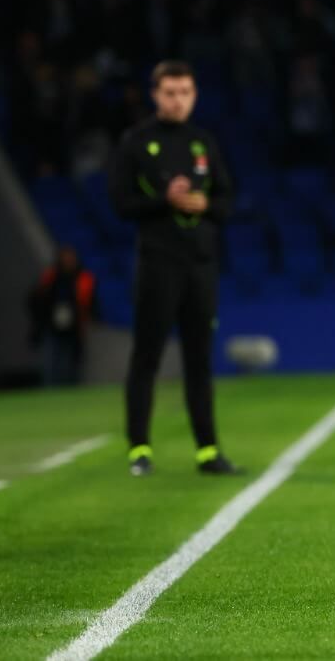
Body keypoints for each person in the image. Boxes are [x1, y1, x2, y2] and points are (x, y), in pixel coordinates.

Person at [107, 61, 239, 477]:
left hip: (200, 266)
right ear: (155, 94)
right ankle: (139, 449)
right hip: (158, 264)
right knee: (147, 355)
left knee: (199, 359)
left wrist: (204, 205)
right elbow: (121, 203)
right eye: (170, 92)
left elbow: (226, 200)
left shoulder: (203, 142)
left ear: (194, 94)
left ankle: (208, 449)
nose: (178, 99)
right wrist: (166, 199)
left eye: (185, 91)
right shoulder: (136, 141)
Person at [28, 245, 97, 387]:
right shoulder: (51, 276)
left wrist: (90, 318)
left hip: (74, 328)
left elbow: (91, 301)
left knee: (71, 363)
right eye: (65, 257)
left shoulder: (84, 278)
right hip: (52, 326)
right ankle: (49, 393)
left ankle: (71, 393)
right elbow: (36, 298)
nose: (68, 261)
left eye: (71, 258)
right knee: (50, 362)